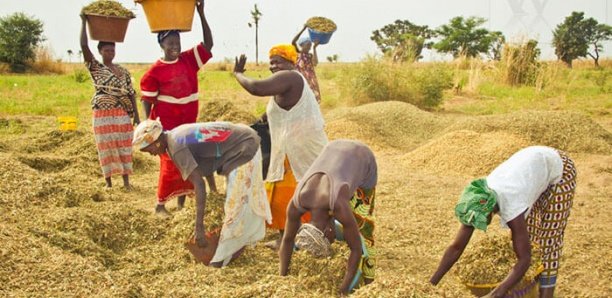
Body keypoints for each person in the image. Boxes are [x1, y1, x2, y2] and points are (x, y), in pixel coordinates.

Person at [430, 146, 577, 298]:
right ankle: (530, 291)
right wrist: (430, 285)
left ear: (489, 210)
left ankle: (546, 295)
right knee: (530, 238)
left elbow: (525, 259)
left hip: (559, 167)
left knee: (546, 244)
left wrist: (496, 293)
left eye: (481, 220)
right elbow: (456, 247)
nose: (479, 226)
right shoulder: (481, 195)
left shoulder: (512, 206)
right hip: (532, 168)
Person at [133, 119, 272, 267]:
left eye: (149, 150)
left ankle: (220, 258)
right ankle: (233, 247)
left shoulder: (176, 146)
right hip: (243, 140)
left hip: (244, 148)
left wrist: (199, 227)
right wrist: (214, 192)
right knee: (237, 202)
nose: (152, 155)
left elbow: (199, 184)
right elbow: (204, 161)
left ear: (156, 142)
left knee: (236, 206)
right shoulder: (175, 136)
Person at [233, 45, 328, 249]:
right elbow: (272, 116)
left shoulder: (291, 77)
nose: (273, 66)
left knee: (300, 194)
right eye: (271, 62)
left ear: (291, 62)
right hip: (288, 149)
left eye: (278, 61)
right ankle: (287, 238)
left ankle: (304, 238)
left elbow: (255, 88)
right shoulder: (284, 85)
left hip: (301, 150)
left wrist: (238, 74)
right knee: (282, 197)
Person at [140, 1, 216, 216]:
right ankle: (160, 205)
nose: (175, 46)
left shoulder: (189, 60)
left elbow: (209, 44)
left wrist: (201, 14)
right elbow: (147, 101)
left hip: (189, 124)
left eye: (178, 42)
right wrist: (150, 126)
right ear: (161, 45)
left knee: (188, 162)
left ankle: (182, 204)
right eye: (170, 42)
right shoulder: (154, 72)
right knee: (170, 165)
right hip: (168, 128)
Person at [279, 140, 377, 295]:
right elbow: (288, 239)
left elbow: (356, 249)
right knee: (350, 222)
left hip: (361, 156)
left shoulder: (338, 204)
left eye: (329, 241)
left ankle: (371, 281)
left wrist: (343, 290)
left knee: (363, 229)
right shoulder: (297, 202)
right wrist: (282, 278)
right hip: (334, 147)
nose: (333, 243)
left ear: (328, 230)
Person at [80, 14, 140, 189]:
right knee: (105, 146)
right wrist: (84, 22)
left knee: (124, 145)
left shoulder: (123, 71)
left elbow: (131, 94)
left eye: (112, 50)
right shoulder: (97, 68)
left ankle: (126, 182)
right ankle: (108, 183)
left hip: (122, 113)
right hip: (102, 113)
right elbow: (84, 45)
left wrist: (136, 116)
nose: (110, 53)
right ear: (100, 52)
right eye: (106, 50)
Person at [292, 26, 321, 104]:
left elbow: (315, 63)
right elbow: (293, 42)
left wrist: (315, 48)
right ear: (302, 45)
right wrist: (303, 28)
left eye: (310, 46)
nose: (309, 47)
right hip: (300, 80)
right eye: (308, 45)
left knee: (311, 101)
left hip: (310, 81)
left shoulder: (310, 56)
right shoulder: (297, 53)